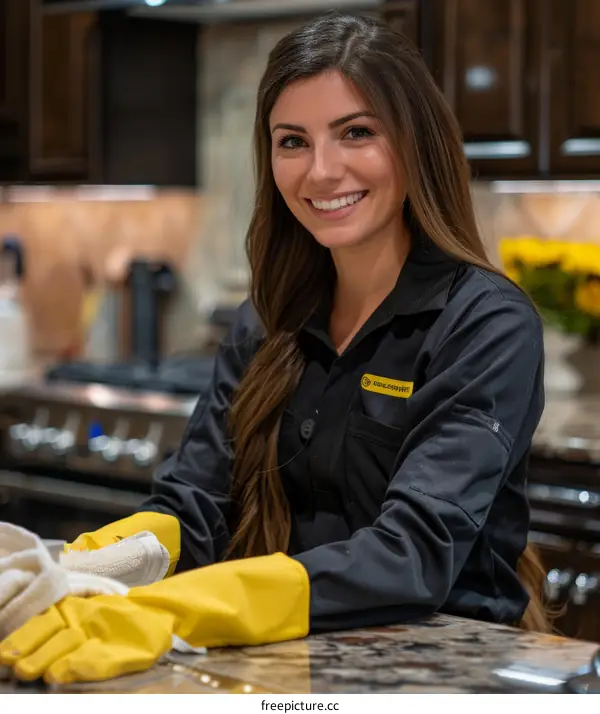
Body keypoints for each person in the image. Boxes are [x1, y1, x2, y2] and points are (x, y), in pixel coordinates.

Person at [0, 11, 548, 685]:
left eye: (356, 132)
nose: (321, 171)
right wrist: (83, 566)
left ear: (416, 142)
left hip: (449, 674)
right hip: (288, 665)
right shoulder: (266, 316)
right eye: (293, 141)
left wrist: (180, 609)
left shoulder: (486, 323)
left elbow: (411, 553)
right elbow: (196, 504)